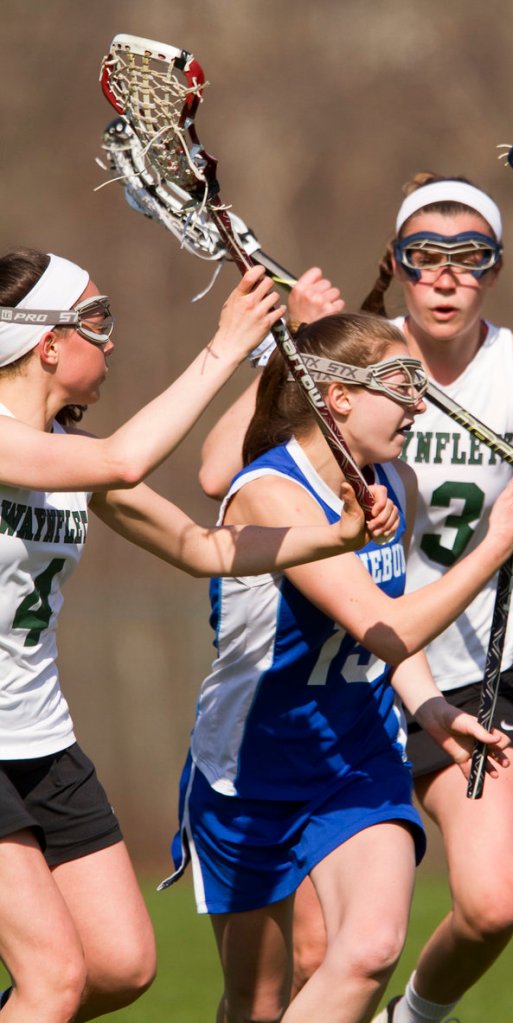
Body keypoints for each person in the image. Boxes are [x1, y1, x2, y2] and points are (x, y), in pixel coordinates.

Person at [198, 173, 513, 1023]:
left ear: (496, 270)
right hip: (350, 674)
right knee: (317, 957)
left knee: (492, 903)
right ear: (398, 262)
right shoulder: (354, 358)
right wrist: (295, 345)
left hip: (465, 675)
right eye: (425, 257)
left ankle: (411, 1019)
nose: (446, 275)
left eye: (471, 258)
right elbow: (220, 475)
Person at [0, 248, 397, 1023]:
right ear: (47, 342)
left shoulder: (72, 460)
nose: (109, 339)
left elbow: (201, 547)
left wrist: (335, 534)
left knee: (120, 965)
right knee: (52, 980)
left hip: (40, 739)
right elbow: (126, 456)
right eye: (96, 320)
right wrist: (228, 346)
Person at [163, 312, 513, 1023]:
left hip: (359, 758)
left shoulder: (395, 480)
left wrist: (428, 705)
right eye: (403, 385)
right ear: (339, 396)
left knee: (367, 950)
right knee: (260, 999)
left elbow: (384, 631)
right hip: (251, 769)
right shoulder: (268, 493)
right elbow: (392, 621)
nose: (420, 406)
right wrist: (492, 548)